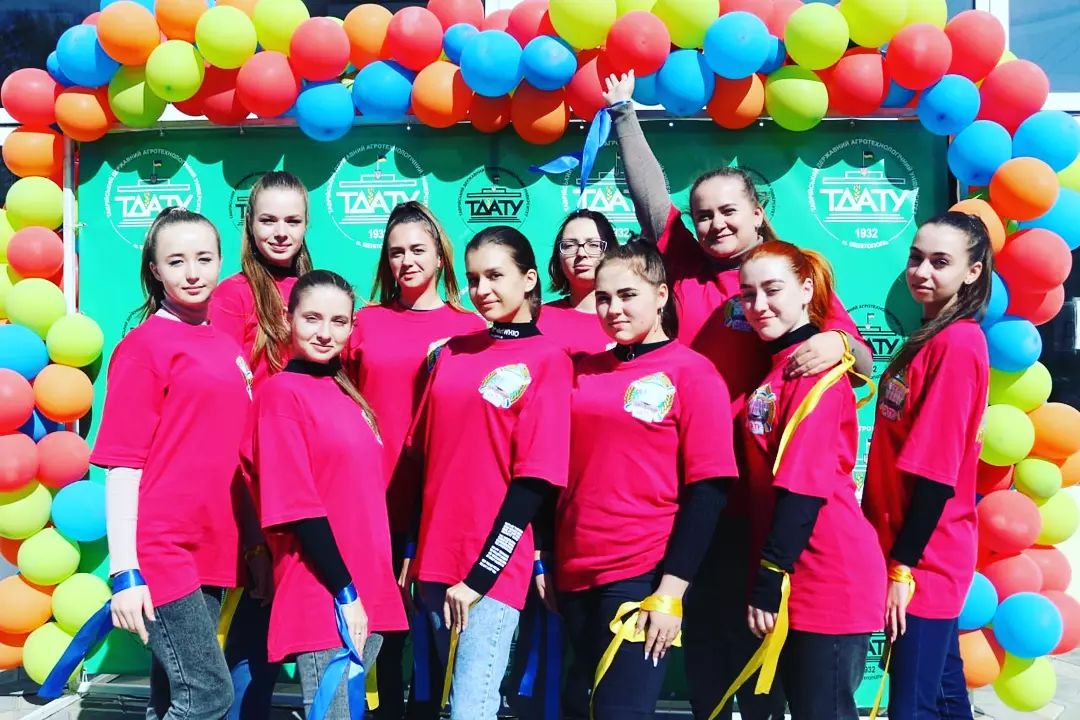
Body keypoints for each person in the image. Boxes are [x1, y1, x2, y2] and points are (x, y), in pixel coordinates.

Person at [603, 70, 873, 720]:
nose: (716, 222)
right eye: (704, 214)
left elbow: (860, 355)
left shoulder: (784, 272)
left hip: (766, 497)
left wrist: (841, 346)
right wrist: (624, 115)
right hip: (701, 488)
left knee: (771, 662)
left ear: (757, 211)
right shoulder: (686, 262)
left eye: (729, 210)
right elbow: (650, 201)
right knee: (712, 652)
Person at [556, 240, 738, 720]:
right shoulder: (581, 371)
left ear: (661, 296)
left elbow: (709, 490)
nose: (613, 309)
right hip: (574, 574)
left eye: (627, 295)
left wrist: (670, 591)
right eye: (603, 298)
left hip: (642, 574)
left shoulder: (694, 374)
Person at [405, 226, 572, 720]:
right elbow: (426, 463)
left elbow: (533, 482)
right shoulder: (451, 353)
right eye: (474, 278)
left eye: (496, 276)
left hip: (488, 571)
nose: (482, 290)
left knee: (471, 710)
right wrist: (413, 550)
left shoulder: (549, 360)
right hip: (433, 565)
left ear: (529, 279)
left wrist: (481, 576)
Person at [92, 207, 250, 720]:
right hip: (163, 551)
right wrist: (124, 570)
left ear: (221, 262)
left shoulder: (225, 344)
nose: (193, 272)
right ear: (155, 269)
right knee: (208, 695)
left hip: (213, 548)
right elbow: (122, 465)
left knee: (173, 696)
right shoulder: (143, 347)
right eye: (176, 261)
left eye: (204, 258)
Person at [240, 270, 407, 719]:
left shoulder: (349, 394)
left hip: (369, 586)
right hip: (325, 590)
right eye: (312, 318)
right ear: (287, 318)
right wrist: (345, 592)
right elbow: (297, 505)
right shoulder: (281, 394)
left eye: (338, 321)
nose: (325, 333)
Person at [344, 200, 484, 718]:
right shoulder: (364, 322)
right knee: (379, 634)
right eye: (396, 252)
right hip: (370, 503)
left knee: (432, 633)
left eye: (418, 249)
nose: (407, 261)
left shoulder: (471, 327)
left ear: (441, 256)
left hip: (439, 506)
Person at [737, 240, 886, 720]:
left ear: (805, 290)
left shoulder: (814, 372)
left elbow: (802, 486)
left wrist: (770, 574)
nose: (759, 305)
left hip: (827, 577)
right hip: (794, 575)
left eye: (772, 289)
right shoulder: (779, 368)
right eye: (748, 294)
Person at [862, 212, 992, 720]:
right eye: (916, 258)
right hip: (911, 549)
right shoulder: (929, 337)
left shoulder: (956, 345)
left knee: (912, 708)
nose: (921, 271)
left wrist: (903, 567)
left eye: (940, 262)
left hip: (926, 560)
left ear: (973, 272)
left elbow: (937, 475)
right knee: (942, 697)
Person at [209, 171, 315, 720]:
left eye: (292, 220)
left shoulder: (318, 291)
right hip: (254, 487)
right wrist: (252, 537)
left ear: (306, 224)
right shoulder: (233, 296)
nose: (280, 231)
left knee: (290, 629)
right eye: (268, 219)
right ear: (248, 224)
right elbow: (226, 409)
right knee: (255, 625)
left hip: (309, 483)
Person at [536, 209, 618, 358]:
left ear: (611, 252)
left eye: (593, 245)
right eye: (569, 245)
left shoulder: (629, 317)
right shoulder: (538, 318)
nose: (581, 253)